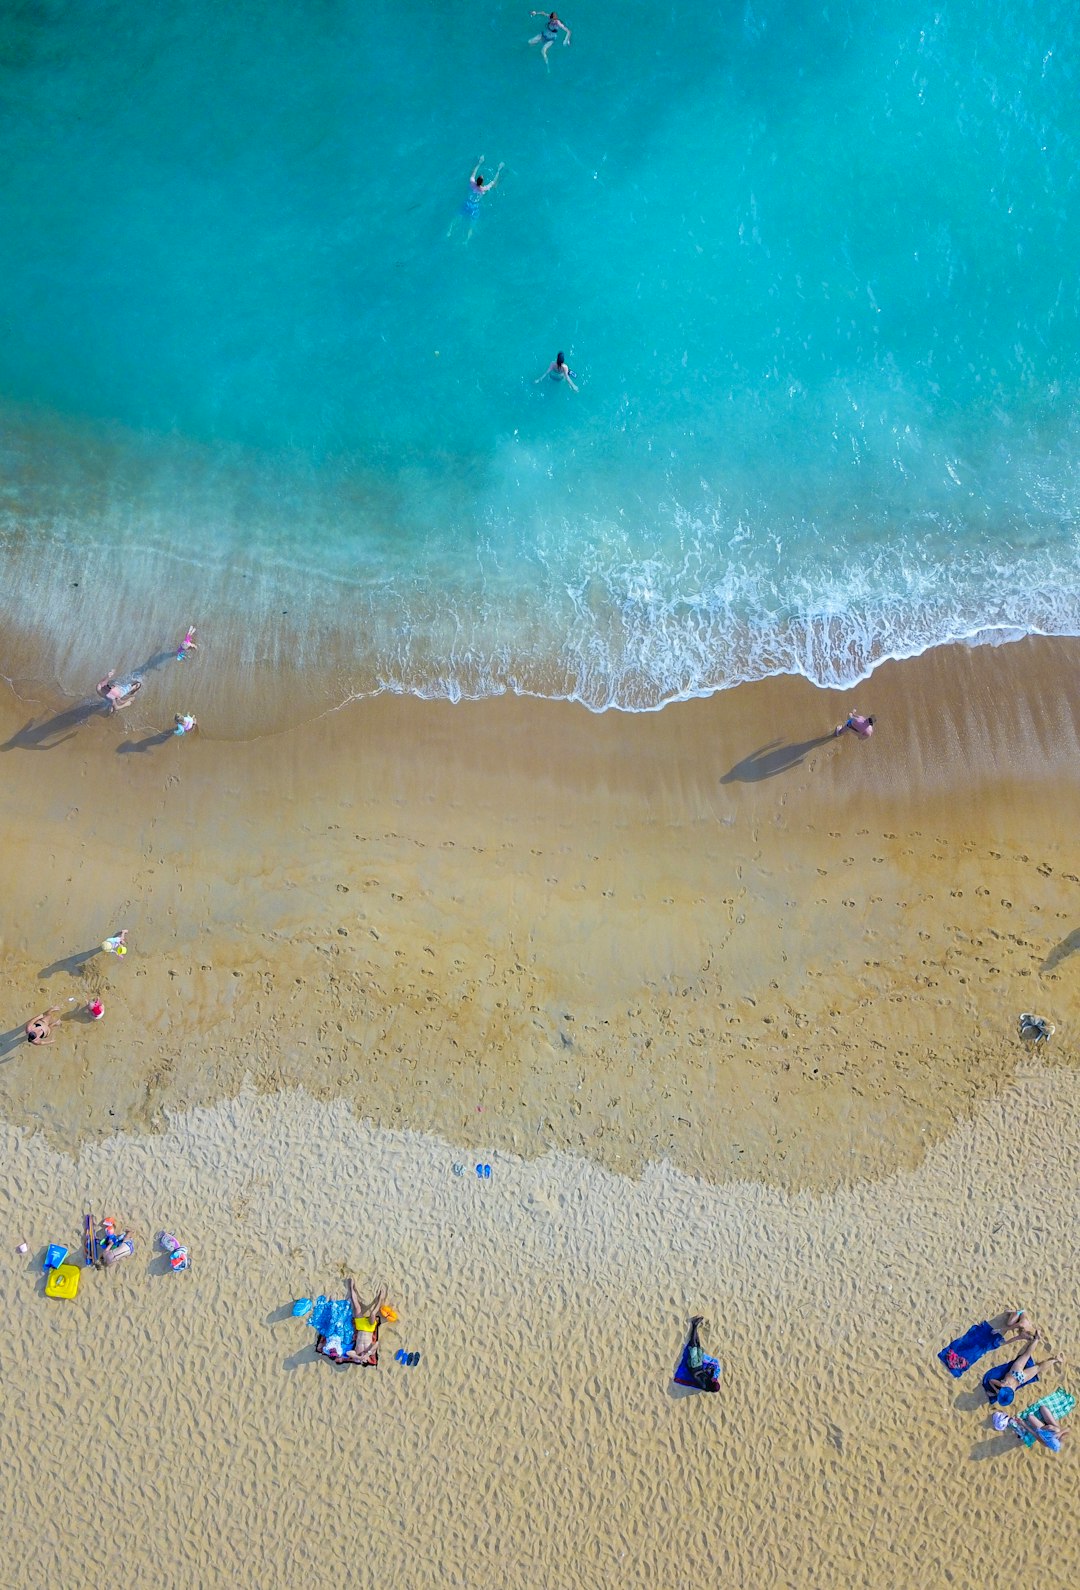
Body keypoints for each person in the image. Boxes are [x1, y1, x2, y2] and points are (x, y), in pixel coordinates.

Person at [316, 1280, 388, 1366]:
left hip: (360, 1327)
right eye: (365, 1361)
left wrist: (359, 1358)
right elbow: (376, 1343)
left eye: (362, 1362)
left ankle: (352, 1288)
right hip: (369, 1328)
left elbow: (349, 1353)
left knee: (357, 1307)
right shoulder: (371, 1352)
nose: (363, 1360)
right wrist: (368, 1354)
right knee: (372, 1314)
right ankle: (380, 1299)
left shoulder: (357, 1352)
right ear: (368, 1359)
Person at [983, 1337, 1061, 1406]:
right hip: (1014, 1373)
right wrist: (997, 1389)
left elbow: (993, 1384)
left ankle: (1055, 1360)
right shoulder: (1002, 1385)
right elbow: (991, 1381)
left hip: (1021, 1379)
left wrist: (995, 1391)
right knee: (1026, 1355)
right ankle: (1037, 1339)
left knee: (1038, 1368)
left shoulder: (1012, 1392)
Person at [448, 156, 505, 240]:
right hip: (475, 206)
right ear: (482, 183)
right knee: (471, 225)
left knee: (457, 217)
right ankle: (466, 241)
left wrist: (479, 162)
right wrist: (499, 169)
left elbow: (473, 172)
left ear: (477, 180)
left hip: (467, 203)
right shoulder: (483, 189)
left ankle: (449, 231)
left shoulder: (472, 183)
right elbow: (493, 182)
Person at [676, 1316, 721, 1393]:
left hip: (693, 1366)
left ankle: (694, 1325)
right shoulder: (710, 1382)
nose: (715, 1380)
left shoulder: (704, 1385)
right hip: (699, 1364)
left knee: (693, 1346)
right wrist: (711, 1371)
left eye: (715, 1382)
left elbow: (695, 1375)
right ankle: (695, 1328)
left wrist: (704, 1370)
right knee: (698, 1346)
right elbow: (710, 1374)